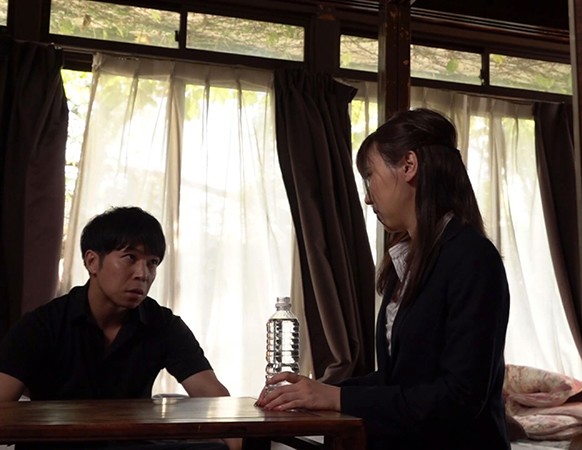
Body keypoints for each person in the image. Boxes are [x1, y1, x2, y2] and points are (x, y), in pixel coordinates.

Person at [257, 108, 511, 450]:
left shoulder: (472, 257)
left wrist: (336, 399)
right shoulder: (406, 260)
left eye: (369, 175)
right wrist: (317, 392)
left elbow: (459, 398)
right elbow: (398, 382)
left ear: (408, 166)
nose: (366, 196)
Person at [0, 206, 241, 450]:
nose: (143, 274)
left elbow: (214, 398)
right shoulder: (42, 325)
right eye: (130, 258)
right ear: (92, 262)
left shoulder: (163, 324)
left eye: (152, 263)